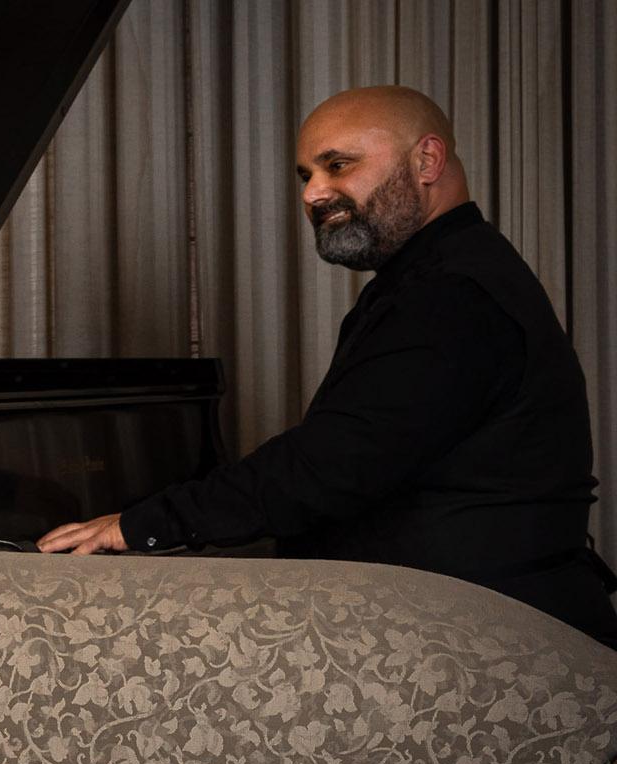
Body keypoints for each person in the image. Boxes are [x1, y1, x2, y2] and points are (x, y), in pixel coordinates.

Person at [37, 85, 617, 649]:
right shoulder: (438, 275)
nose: (314, 194)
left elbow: (331, 467)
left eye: (338, 165)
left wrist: (138, 525)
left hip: (485, 640)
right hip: (444, 616)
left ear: (428, 160)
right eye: (306, 175)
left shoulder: (451, 294)